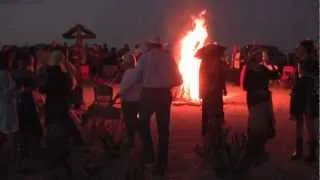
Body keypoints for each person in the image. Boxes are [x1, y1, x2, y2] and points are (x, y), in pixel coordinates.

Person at [134, 38, 182, 176]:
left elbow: (137, 76)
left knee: (142, 123)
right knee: (163, 130)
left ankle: (149, 154)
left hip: (148, 94)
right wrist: (165, 84)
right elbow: (179, 79)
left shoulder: (144, 58)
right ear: (160, 46)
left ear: (149, 46)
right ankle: (161, 164)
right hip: (163, 95)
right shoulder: (168, 58)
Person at [240, 50, 280, 165]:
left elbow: (275, 75)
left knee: (263, 127)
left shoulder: (262, 69)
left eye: (261, 56)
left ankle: (259, 152)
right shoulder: (249, 70)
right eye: (259, 56)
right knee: (256, 126)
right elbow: (246, 86)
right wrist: (258, 91)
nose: (261, 58)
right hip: (256, 101)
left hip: (263, 100)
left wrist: (270, 65)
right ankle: (254, 152)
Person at [289, 40, 319, 162]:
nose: (298, 49)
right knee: (299, 122)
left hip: (308, 95)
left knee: (310, 123)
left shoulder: (312, 61)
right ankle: (299, 150)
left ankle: (312, 154)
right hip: (299, 95)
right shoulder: (300, 61)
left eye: (300, 47)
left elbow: (312, 80)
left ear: (306, 49)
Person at [195, 43, 227, 150]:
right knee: (213, 113)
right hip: (212, 93)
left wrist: (223, 88)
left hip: (211, 92)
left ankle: (211, 134)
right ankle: (212, 135)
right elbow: (203, 78)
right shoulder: (214, 63)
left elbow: (221, 77)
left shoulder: (207, 63)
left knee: (210, 113)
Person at [12, 52, 42, 159]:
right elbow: (38, 86)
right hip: (25, 103)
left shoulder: (17, 74)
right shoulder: (26, 74)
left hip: (24, 102)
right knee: (27, 126)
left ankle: (26, 151)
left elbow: (37, 86)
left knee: (26, 127)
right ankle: (27, 151)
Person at [116, 56, 141, 149]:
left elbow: (124, 88)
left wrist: (116, 96)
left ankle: (131, 142)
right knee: (134, 120)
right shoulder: (135, 72)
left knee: (129, 122)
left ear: (127, 63)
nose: (121, 64)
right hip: (136, 100)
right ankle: (140, 137)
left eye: (123, 62)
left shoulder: (129, 73)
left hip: (130, 101)